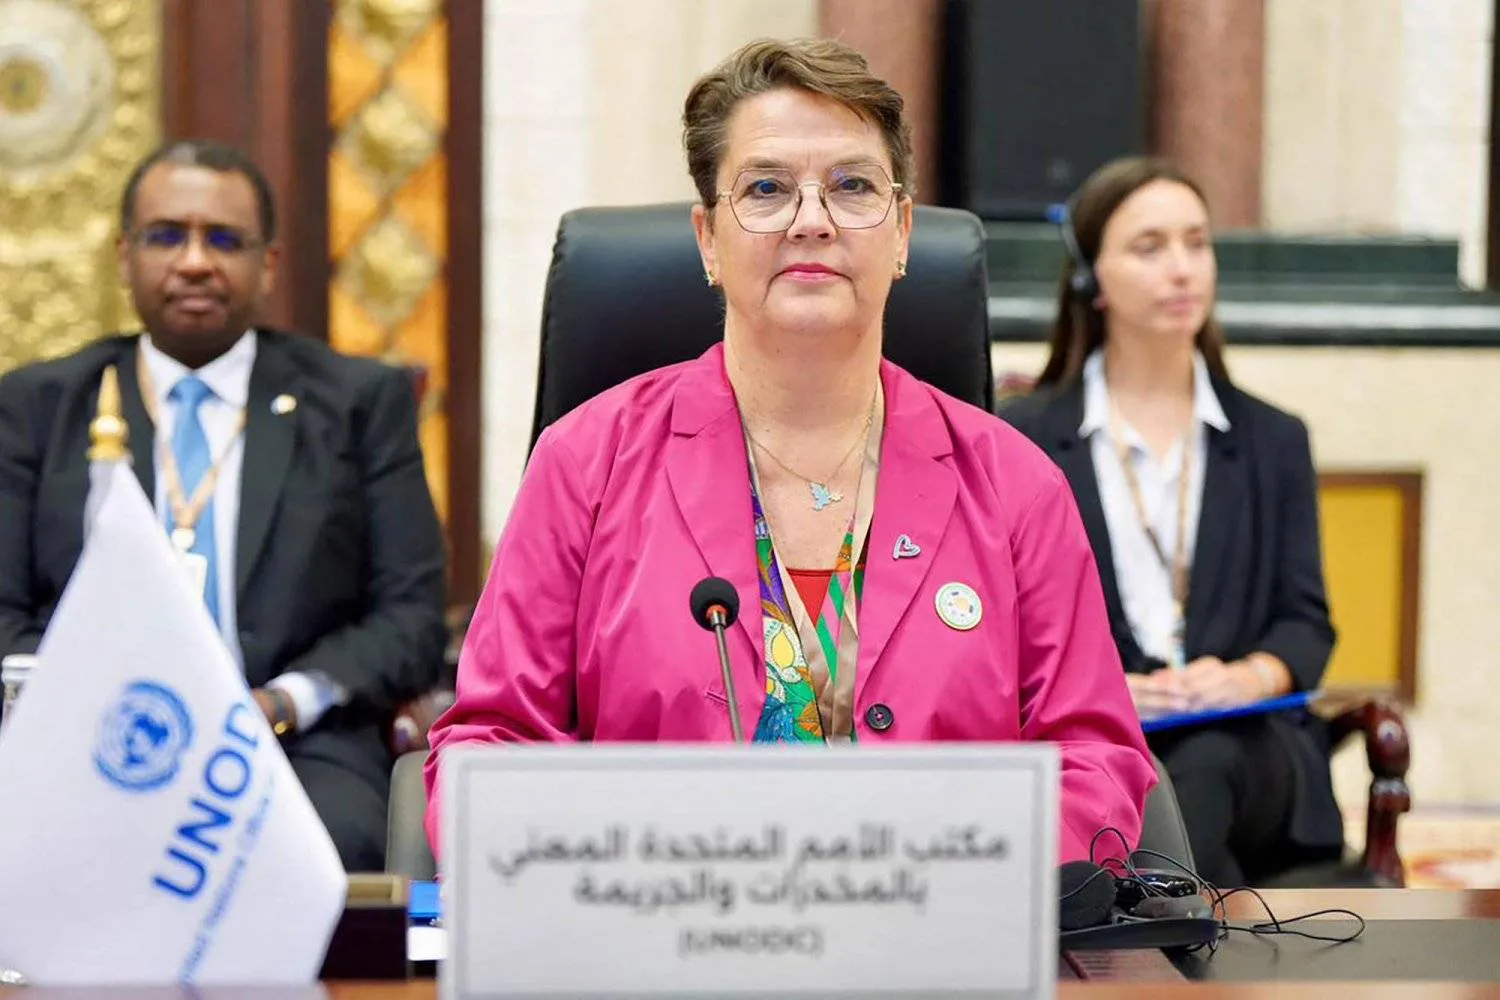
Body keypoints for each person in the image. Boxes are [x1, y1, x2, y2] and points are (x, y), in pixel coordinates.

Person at [424, 38, 1154, 863]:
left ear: (904, 232)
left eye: (852, 186)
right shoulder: (585, 463)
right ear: (707, 239)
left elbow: (1096, 762)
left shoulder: (1015, 483)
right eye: (766, 189)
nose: (812, 219)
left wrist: (943, 872)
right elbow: (488, 749)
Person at [0, 140, 448, 871]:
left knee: (332, 852)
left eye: (225, 240)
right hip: (87, 735)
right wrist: (91, 698)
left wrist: (279, 703)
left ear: (267, 264)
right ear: (124, 256)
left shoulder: (359, 403)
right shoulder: (37, 406)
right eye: (167, 235)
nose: (196, 261)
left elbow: (410, 616)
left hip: (294, 741)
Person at [998, 156, 1344, 887]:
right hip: (1101, 735)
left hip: (1254, 743)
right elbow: (1003, 630)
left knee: (1199, 763)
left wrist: (1249, 677)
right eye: (1150, 247)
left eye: (1197, 243)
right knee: (1151, 771)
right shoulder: (1023, 437)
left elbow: (1306, 623)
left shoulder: (1273, 437)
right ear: (1091, 278)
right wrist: (1108, 687)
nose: (1182, 269)